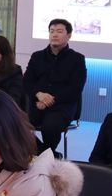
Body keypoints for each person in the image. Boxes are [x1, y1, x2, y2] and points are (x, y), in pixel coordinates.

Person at [22, 18, 87, 156]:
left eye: (59, 31)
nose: (54, 35)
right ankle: (48, 154)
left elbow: (75, 88)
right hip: (37, 104)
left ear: (69, 35)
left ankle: (45, 155)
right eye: (51, 31)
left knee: (50, 127)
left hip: (62, 106)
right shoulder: (37, 56)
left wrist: (51, 100)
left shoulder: (77, 59)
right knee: (16, 123)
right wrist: (39, 94)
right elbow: (27, 81)